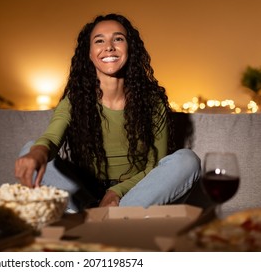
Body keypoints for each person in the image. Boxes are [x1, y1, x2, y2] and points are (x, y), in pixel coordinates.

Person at [15, 13, 201, 212]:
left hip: (135, 191)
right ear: (89, 53)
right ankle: (97, 212)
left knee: (188, 160)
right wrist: (38, 152)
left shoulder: (152, 102)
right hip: (86, 194)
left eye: (118, 39)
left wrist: (116, 192)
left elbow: (153, 165)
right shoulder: (75, 101)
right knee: (29, 149)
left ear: (130, 48)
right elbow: (51, 138)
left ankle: (110, 216)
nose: (109, 46)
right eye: (99, 41)